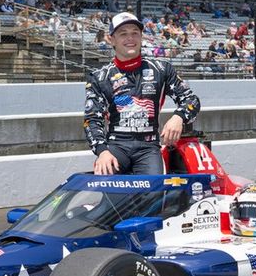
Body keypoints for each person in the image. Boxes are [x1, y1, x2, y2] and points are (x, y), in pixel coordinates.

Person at [84, 11, 200, 175]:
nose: (130, 38)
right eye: (123, 34)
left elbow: (192, 100)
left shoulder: (161, 70)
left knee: (153, 194)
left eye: (134, 33)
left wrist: (178, 117)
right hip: (116, 147)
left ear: (141, 37)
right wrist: (102, 151)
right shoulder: (99, 77)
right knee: (109, 184)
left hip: (149, 148)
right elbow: (91, 119)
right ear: (112, 39)